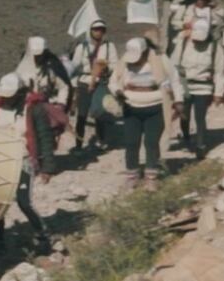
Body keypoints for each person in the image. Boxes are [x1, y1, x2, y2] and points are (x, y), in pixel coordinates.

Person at [0, 74, 52, 254]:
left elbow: (45, 137)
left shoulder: (33, 110)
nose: (7, 98)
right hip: (0, 159)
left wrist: (47, 167)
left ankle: (42, 234)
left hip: (23, 160)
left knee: (24, 201)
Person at [109, 37, 178, 183]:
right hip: (131, 107)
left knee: (152, 142)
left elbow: (174, 80)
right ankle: (132, 175)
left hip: (155, 107)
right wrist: (117, 92)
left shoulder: (160, 60)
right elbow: (113, 81)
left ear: (145, 52)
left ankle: (151, 176)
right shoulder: (124, 62)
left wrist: (179, 100)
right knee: (131, 142)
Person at [170, 17, 224, 158]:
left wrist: (218, 93)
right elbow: (174, 64)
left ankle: (200, 145)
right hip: (184, 84)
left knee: (200, 116)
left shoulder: (215, 47)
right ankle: (186, 137)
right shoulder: (183, 43)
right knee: (185, 114)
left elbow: (220, 71)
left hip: (203, 86)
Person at [67, 21, 119, 150]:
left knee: (100, 112)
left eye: (101, 29)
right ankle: (78, 145)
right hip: (84, 82)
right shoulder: (82, 47)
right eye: (96, 29)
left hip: (101, 82)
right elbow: (75, 66)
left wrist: (106, 67)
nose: (98, 32)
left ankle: (101, 140)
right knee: (82, 115)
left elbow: (115, 64)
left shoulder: (109, 46)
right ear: (91, 31)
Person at [15, 36, 72, 105]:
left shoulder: (52, 68)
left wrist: (61, 104)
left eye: (41, 55)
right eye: (36, 55)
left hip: (46, 106)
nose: (39, 57)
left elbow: (63, 87)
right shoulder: (22, 69)